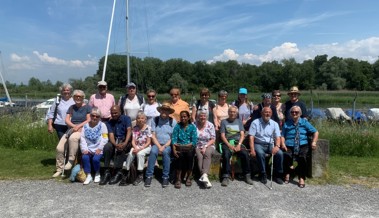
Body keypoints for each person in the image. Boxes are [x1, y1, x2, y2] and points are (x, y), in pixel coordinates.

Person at [53, 90, 91, 177]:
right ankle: (59, 168)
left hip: (82, 129)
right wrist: (74, 126)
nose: (78, 98)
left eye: (80, 96)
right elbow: (66, 119)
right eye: (76, 96)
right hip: (72, 128)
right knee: (59, 148)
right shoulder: (71, 107)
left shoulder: (88, 107)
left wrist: (78, 126)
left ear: (83, 98)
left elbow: (88, 120)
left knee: (73, 138)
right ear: (73, 97)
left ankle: (70, 160)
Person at [281, 106, 319, 188]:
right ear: (290, 114)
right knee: (285, 155)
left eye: (296, 112)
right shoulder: (287, 123)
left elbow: (315, 132)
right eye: (292, 112)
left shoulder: (304, 123)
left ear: (300, 114)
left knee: (303, 158)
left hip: (302, 144)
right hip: (289, 144)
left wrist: (314, 142)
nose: (294, 113)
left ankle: (301, 177)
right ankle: (287, 173)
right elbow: (282, 135)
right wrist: (283, 143)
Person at [144, 102, 177, 188]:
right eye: (163, 110)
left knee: (166, 153)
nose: (164, 112)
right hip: (157, 143)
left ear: (169, 112)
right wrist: (159, 146)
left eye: (166, 110)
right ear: (160, 110)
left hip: (168, 144)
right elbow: (153, 135)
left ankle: (165, 176)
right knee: (153, 151)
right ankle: (149, 175)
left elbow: (173, 137)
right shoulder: (155, 120)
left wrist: (164, 146)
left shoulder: (173, 121)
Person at [219, 105, 254, 186]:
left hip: (237, 142)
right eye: (230, 111)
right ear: (228, 112)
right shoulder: (224, 122)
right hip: (227, 142)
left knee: (245, 154)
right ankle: (226, 176)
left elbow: (242, 134)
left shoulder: (239, 121)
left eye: (234, 112)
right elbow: (222, 136)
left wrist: (239, 145)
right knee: (226, 154)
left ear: (236, 113)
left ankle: (247, 175)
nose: (232, 113)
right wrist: (229, 145)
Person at [249, 107, 284, 185]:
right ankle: (263, 174)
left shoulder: (274, 124)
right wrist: (252, 149)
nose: (267, 114)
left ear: (271, 114)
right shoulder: (255, 122)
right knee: (260, 154)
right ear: (262, 113)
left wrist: (277, 146)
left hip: (270, 144)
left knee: (280, 154)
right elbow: (251, 137)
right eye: (265, 112)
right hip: (258, 144)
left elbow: (278, 136)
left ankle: (278, 175)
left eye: (269, 112)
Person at [100, 105, 132, 185]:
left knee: (121, 148)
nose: (114, 114)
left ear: (120, 112)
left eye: (115, 113)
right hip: (114, 140)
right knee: (107, 146)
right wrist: (115, 144)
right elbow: (111, 135)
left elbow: (129, 131)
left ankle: (118, 172)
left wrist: (125, 143)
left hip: (125, 140)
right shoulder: (109, 122)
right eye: (112, 113)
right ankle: (106, 171)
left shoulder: (126, 119)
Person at [80, 107, 109, 185]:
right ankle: (88, 175)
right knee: (85, 157)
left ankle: (97, 173)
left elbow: (105, 138)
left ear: (99, 117)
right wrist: (84, 149)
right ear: (90, 116)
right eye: (93, 115)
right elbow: (82, 138)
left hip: (99, 147)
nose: (94, 118)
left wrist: (100, 148)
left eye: (97, 116)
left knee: (96, 159)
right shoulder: (85, 126)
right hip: (88, 147)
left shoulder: (102, 125)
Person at [123, 112, 152, 186]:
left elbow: (148, 142)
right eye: (138, 118)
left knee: (140, 154)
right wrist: (135, 147)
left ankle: (140, 174)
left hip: (145, 147)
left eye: (142, 118)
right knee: (130, 154)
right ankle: (127, 171)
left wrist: (139, 149)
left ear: (145, 120)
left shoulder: (148, 128)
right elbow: (133, 140)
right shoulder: (135, 128)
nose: (140, 120)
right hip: (137, 146)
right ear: (136, 120)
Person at [172, 110, 197, 189]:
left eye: (185, 116)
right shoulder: (177, 126)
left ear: (188, 117)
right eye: (181, 117)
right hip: (179, 147)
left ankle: (188, 177)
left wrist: (186, 146)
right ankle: (178, 178)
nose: (183, 118)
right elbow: (174, 139)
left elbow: (194, 141)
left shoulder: (192, 127)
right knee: (179, 155)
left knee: (190, 155)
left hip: (189, 147)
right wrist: (174, 149)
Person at [195, 109, 216, 188]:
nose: (202, 117)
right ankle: (205, 176)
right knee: (200, 157)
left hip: (209, 145)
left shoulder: (210, 125)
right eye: (201, 116)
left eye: (204, 116)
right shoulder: (194, 124)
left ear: (207, 117)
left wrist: (205, 146)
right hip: (197, 145)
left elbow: (213, 138)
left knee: (207, 153)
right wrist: (199, 147)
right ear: (198, 117)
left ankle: (203, 176)